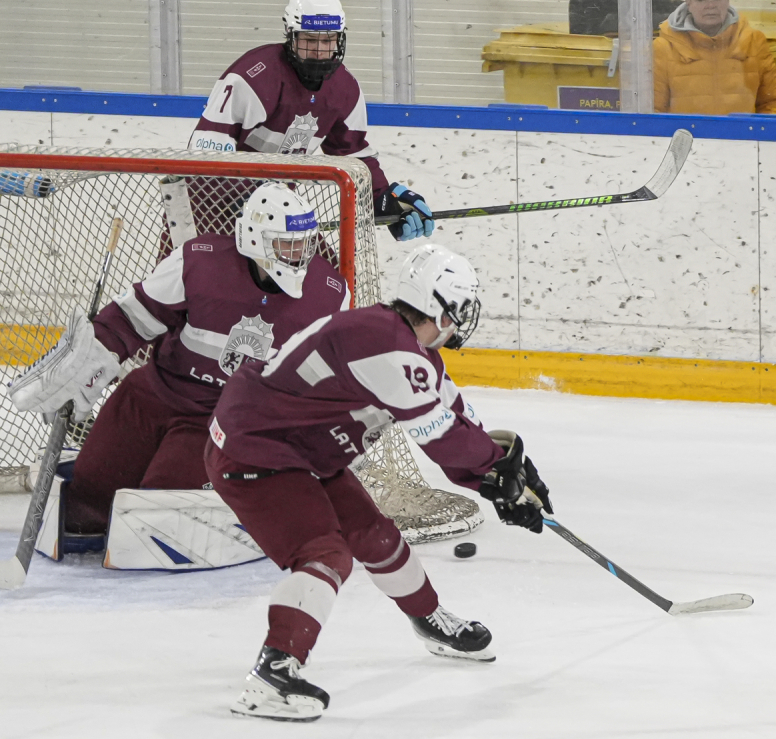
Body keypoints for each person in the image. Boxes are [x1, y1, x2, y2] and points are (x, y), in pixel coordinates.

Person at [204, 243, 553, 722]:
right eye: (461, 309)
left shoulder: (407, 347)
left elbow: (456, 418)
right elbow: (442, 438)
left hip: (302, 449)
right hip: (255, 450)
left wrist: (505, 475)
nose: (463, 321)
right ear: (440, 308)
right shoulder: (385, 346)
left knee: (377, 536)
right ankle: (272, 676)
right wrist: (495, 473)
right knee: (326, 555)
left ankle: (429, 620)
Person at [6, 185, 348, 559]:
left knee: (156, 518)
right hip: (152, 398)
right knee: (86, 507)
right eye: (287, 244)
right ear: (254, 239)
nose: (300, 256)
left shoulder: (329, 295)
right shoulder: (200, 262)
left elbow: (330, 382)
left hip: (223, 424)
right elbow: (130, 319)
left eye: (304, 244)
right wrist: (88, 361)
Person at [187, 0, 434, 241]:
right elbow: (205, 153)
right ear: (290, 35)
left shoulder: (345, 90)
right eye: (309, 40)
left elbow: (353, 155)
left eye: (327, 40)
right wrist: (243, 203)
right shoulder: (254, 77)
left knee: (325, 268)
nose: (319, 50)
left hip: (278, 213)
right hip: (210, 211)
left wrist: (383, 198)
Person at [653, 0, 776, 116]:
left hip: (742, 132)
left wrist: (757, 129)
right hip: (685, 132)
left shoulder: (754, 42)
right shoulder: (663, 48)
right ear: (688, 3)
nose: (710, 5)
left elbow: (773, 102)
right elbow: (654, 111)